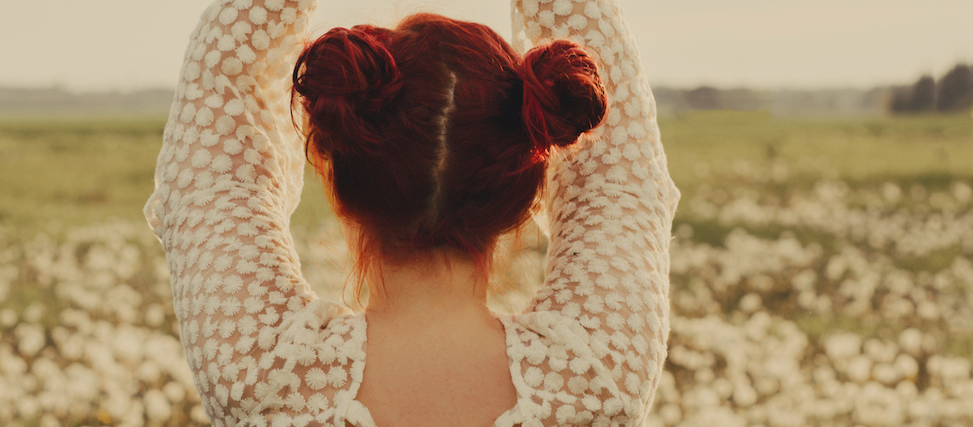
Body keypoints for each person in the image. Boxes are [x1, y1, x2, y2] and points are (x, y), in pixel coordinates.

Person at [142, 0, 680, 425]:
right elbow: (619, 178)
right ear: (525, 179)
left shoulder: (263, 378)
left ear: (334, 171)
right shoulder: (596, 377)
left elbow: (216, 136)